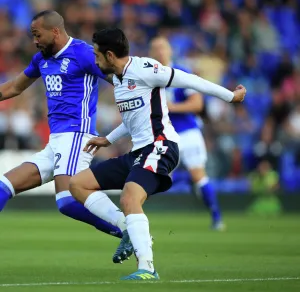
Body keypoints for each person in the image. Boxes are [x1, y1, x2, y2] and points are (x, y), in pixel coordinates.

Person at [69, 27, 246, 281]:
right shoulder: (118, 79)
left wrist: (230, 96)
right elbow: (132, 120)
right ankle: (127, 227)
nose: (95, 60)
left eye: (97, 55)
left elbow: (190, 80)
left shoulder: (145, 69)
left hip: (160, 145)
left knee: (130, 197)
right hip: (139, 150)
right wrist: (107, 139)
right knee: (78, 184)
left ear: (109, 55)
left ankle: (147, 267)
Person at [0, 11, 122, 239]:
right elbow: (15, 87)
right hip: (55, 141)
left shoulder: (83, 53)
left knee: (66, 202)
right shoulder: (41, 59)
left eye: (37, 35)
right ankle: (126, 229)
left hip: (77, 135)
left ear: (55, 31)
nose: (34, 41)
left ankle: (125, 229)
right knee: (3, 186)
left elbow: (118, 78)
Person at [149, 36, 224, 230]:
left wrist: (169, 107)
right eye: (155, 48)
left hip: (187, 132)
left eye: (162, 48)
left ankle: (217, 218)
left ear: (170, 51)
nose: (159, 52)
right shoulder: (148, 78)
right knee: (154, 176)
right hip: (163, 136)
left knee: (199, 175)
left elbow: (197, 104)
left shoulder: (181, 73)